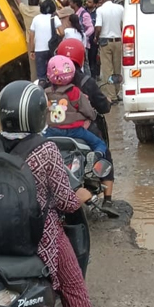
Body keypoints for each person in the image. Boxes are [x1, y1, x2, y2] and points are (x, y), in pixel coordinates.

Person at [0, 81, 121, 307]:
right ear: (39, 114)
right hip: (37, 237)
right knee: (73, 284)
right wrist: (81, 195)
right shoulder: (46, 150)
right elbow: (65, 202)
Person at [48, 38, 120, 218]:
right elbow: (98, 108)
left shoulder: (46, 84)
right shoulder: (85, 83)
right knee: (104, 150)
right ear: (81, 58)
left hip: (52, 131)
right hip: (80, 130)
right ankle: (108, 200)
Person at [43, 56, 108, 155]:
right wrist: (91, 117)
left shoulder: (46, 93)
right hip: (74, 131)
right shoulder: (74, 92)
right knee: (100, 144)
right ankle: (97, 157)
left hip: (52, 131)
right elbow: (88, 110)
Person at [95, 0, 125, 103]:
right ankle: (117, 92)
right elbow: (124, 24)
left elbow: (98, 27)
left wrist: (96, 38)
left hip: (105, 42)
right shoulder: (120, 9)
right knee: (117, 68)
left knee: (108, 70)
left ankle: (112, 96)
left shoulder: (100, 10)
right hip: (118, 41)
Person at [29, 0, 60, 81]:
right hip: (52, 49)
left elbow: (31, 36)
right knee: (54, 72)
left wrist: (32, 51)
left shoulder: (36, 19)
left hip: (39, 50)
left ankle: (43, 90)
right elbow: (62, 32)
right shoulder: (54, 18)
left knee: (41, 76)